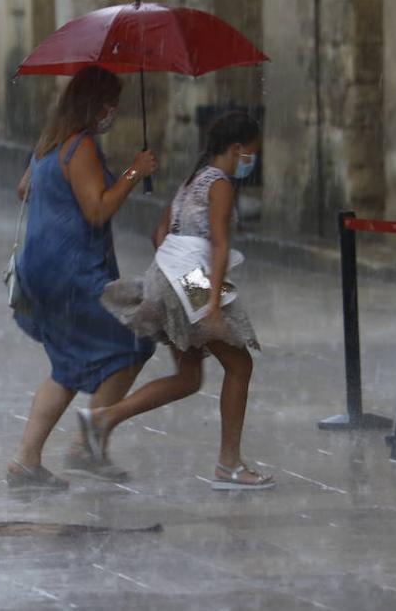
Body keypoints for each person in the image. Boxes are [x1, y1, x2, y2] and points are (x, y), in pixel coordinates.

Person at [86, 109, 274, 490]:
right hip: (192, 279)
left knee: (188, 377)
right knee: (239, 366)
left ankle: (103, 419)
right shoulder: (219, 183)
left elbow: (159, 233)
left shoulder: (193, 180)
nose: (251, 162)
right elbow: (220, 245)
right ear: (237, 149)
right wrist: (213, 306)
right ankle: (229, 465)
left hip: (166, 273)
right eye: (251, 153)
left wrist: (173, 278)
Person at [7, 65, 159, 489]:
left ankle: (26, 460)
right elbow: (97, 210)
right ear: (95, 104)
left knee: (69, 366)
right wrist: (135, 171)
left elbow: (24, 188)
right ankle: (87, 444)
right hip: (71, 271)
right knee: (133, 341)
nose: (113, 112)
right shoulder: (81, 146)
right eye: (111, 103)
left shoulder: (49, 144)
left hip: (40, 269)